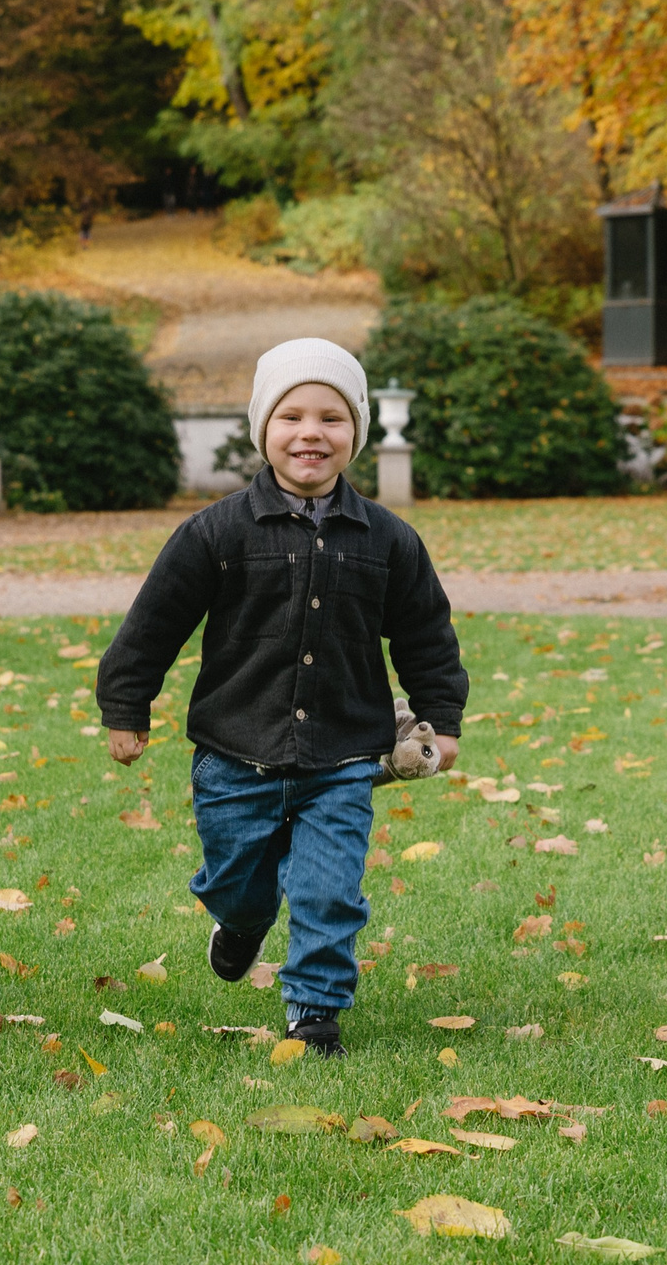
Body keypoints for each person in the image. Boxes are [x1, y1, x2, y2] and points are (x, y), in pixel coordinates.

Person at [96, 338, 467, 1056]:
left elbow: (426, 634)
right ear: (263, 427)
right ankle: (239, 923)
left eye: (331, 417)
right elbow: (154, 622)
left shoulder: (388, 540)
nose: (311, 433)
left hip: (342, 755)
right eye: (291, 415)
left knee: (330, 892)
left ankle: (316, 1010)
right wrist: (126, 707)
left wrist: (440, 720)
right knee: (240, 883)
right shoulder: (217, 532)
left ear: (354, 431)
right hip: (235, 754)